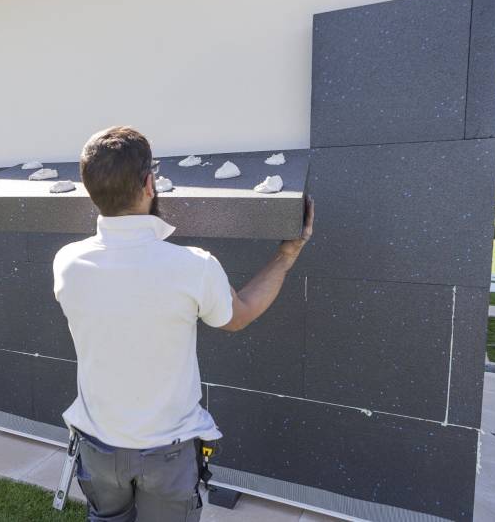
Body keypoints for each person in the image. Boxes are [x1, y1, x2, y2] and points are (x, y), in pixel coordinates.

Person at [53, 126, 314, 522]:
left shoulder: (66, 262)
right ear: (149, 184)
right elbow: (238, 315)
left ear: (89, 189)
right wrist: (287, 255)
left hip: (97, 448)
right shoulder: (193, 265)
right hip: (168, 454)